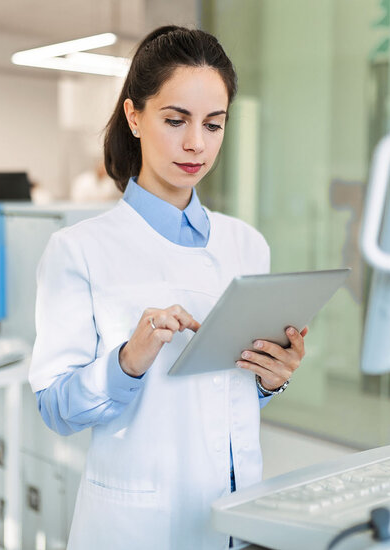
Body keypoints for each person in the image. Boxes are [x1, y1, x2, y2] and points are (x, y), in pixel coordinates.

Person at [28, 26, 308, 550]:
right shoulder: (79, 250)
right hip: (136, 527)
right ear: (134, 116)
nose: (196, 144)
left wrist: (271, 378)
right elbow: (54, 408)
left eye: (213, 124)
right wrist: (128, 362)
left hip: (236, 518)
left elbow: (226, 397)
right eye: (175, 120)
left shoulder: (249, 245)